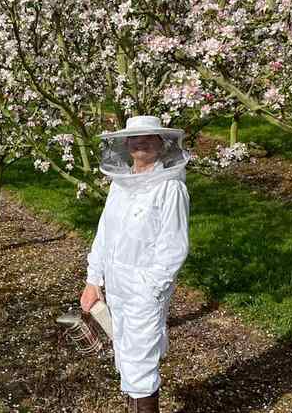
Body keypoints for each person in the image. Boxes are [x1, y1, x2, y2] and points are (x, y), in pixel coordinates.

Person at [80, 115, 190, 413]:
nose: (141, 143)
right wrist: (93, 280)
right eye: (135, 138)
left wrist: (150, 288)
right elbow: (104, 234)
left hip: (144, 287)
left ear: (161, 143)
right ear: (126, 144)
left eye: (148, 138)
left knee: (141, 358)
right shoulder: (121, 184)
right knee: (125, 353)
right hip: (116, 285)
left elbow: (174, 248)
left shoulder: (170, 188)